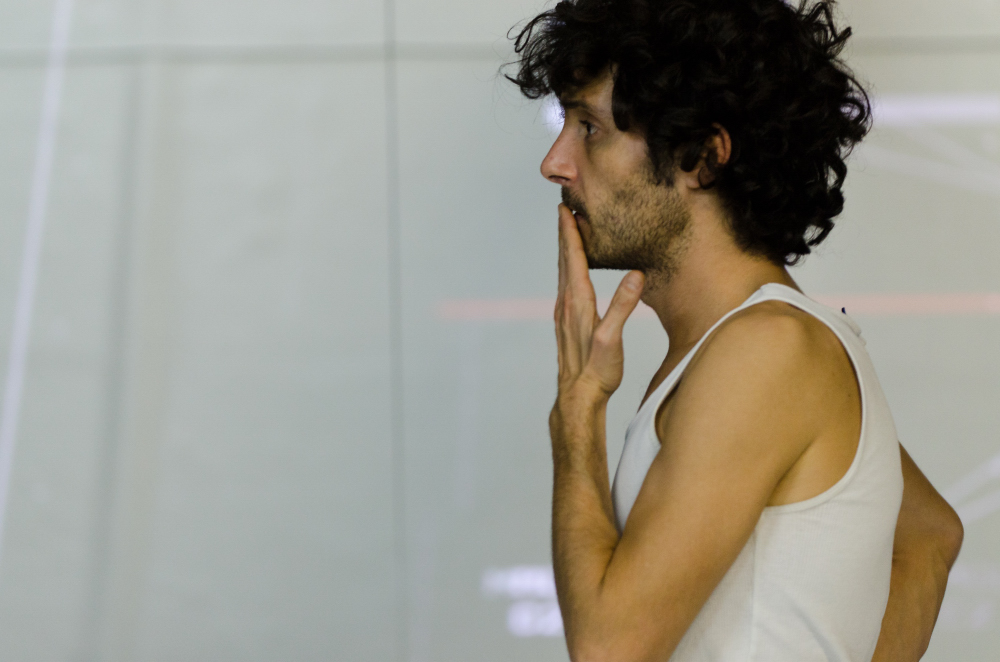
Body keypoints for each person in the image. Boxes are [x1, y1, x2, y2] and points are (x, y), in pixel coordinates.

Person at [505, 1, 965, 660]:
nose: (555, 163)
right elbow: (930, 537)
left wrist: (578, 409)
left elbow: (609, 648)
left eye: (590, 128)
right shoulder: (755, 343)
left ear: (704, 157)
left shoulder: (766, 350)